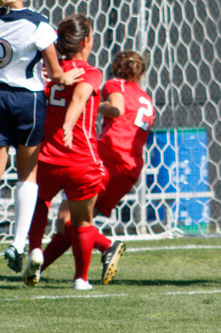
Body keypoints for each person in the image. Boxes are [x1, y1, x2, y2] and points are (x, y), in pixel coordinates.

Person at [0, 0, 82, 280]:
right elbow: (55, 72)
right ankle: (17, 245)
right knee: (27, 174)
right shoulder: (39, 25)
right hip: (26, 100)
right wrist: (65, 78)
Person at [26, 49, 156, 286]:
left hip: (108, 159)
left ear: (116, 68)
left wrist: (92, 103)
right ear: (141, 73)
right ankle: (39, 268)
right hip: (131, 168)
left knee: (69, 220)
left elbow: (117, 109)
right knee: (75, 222)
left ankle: (107, 246)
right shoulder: (145, 97)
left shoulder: (115, 84)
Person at [22, 14, 105, 290]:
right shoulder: (90, 72)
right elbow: (80, 97)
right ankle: (81, 278)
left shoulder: (50, 72)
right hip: (79, 157)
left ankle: (35, 249)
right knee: (83, 221)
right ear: (85, 41)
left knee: (40, 203)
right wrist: (69, 125)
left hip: (45, 156)